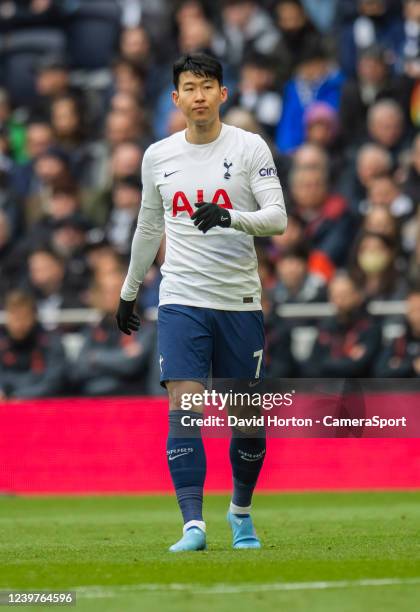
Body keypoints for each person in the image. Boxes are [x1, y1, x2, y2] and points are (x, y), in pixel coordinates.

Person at [116, 53, 287, 552]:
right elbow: (149, 226)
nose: (198, 96)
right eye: (189, 88)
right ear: (176, 98)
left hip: (239, 301)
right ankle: (193, 524)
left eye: (207, 86)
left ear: (223, 95)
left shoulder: (250, 147)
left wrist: (231, 218)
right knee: (184, 404)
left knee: (246, 421)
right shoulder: (158, 156)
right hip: (182, 298)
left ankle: (241, 513)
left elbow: (277, 217)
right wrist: (129, 292)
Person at [0, 290, 67, 399]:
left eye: (24, 316)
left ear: (34, 316)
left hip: (42, 406)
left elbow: (53, 381)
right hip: (7, 403)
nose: (19, 322)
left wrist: (19, 396)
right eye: (14, 315)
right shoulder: (2, 343)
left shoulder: (50, 342)